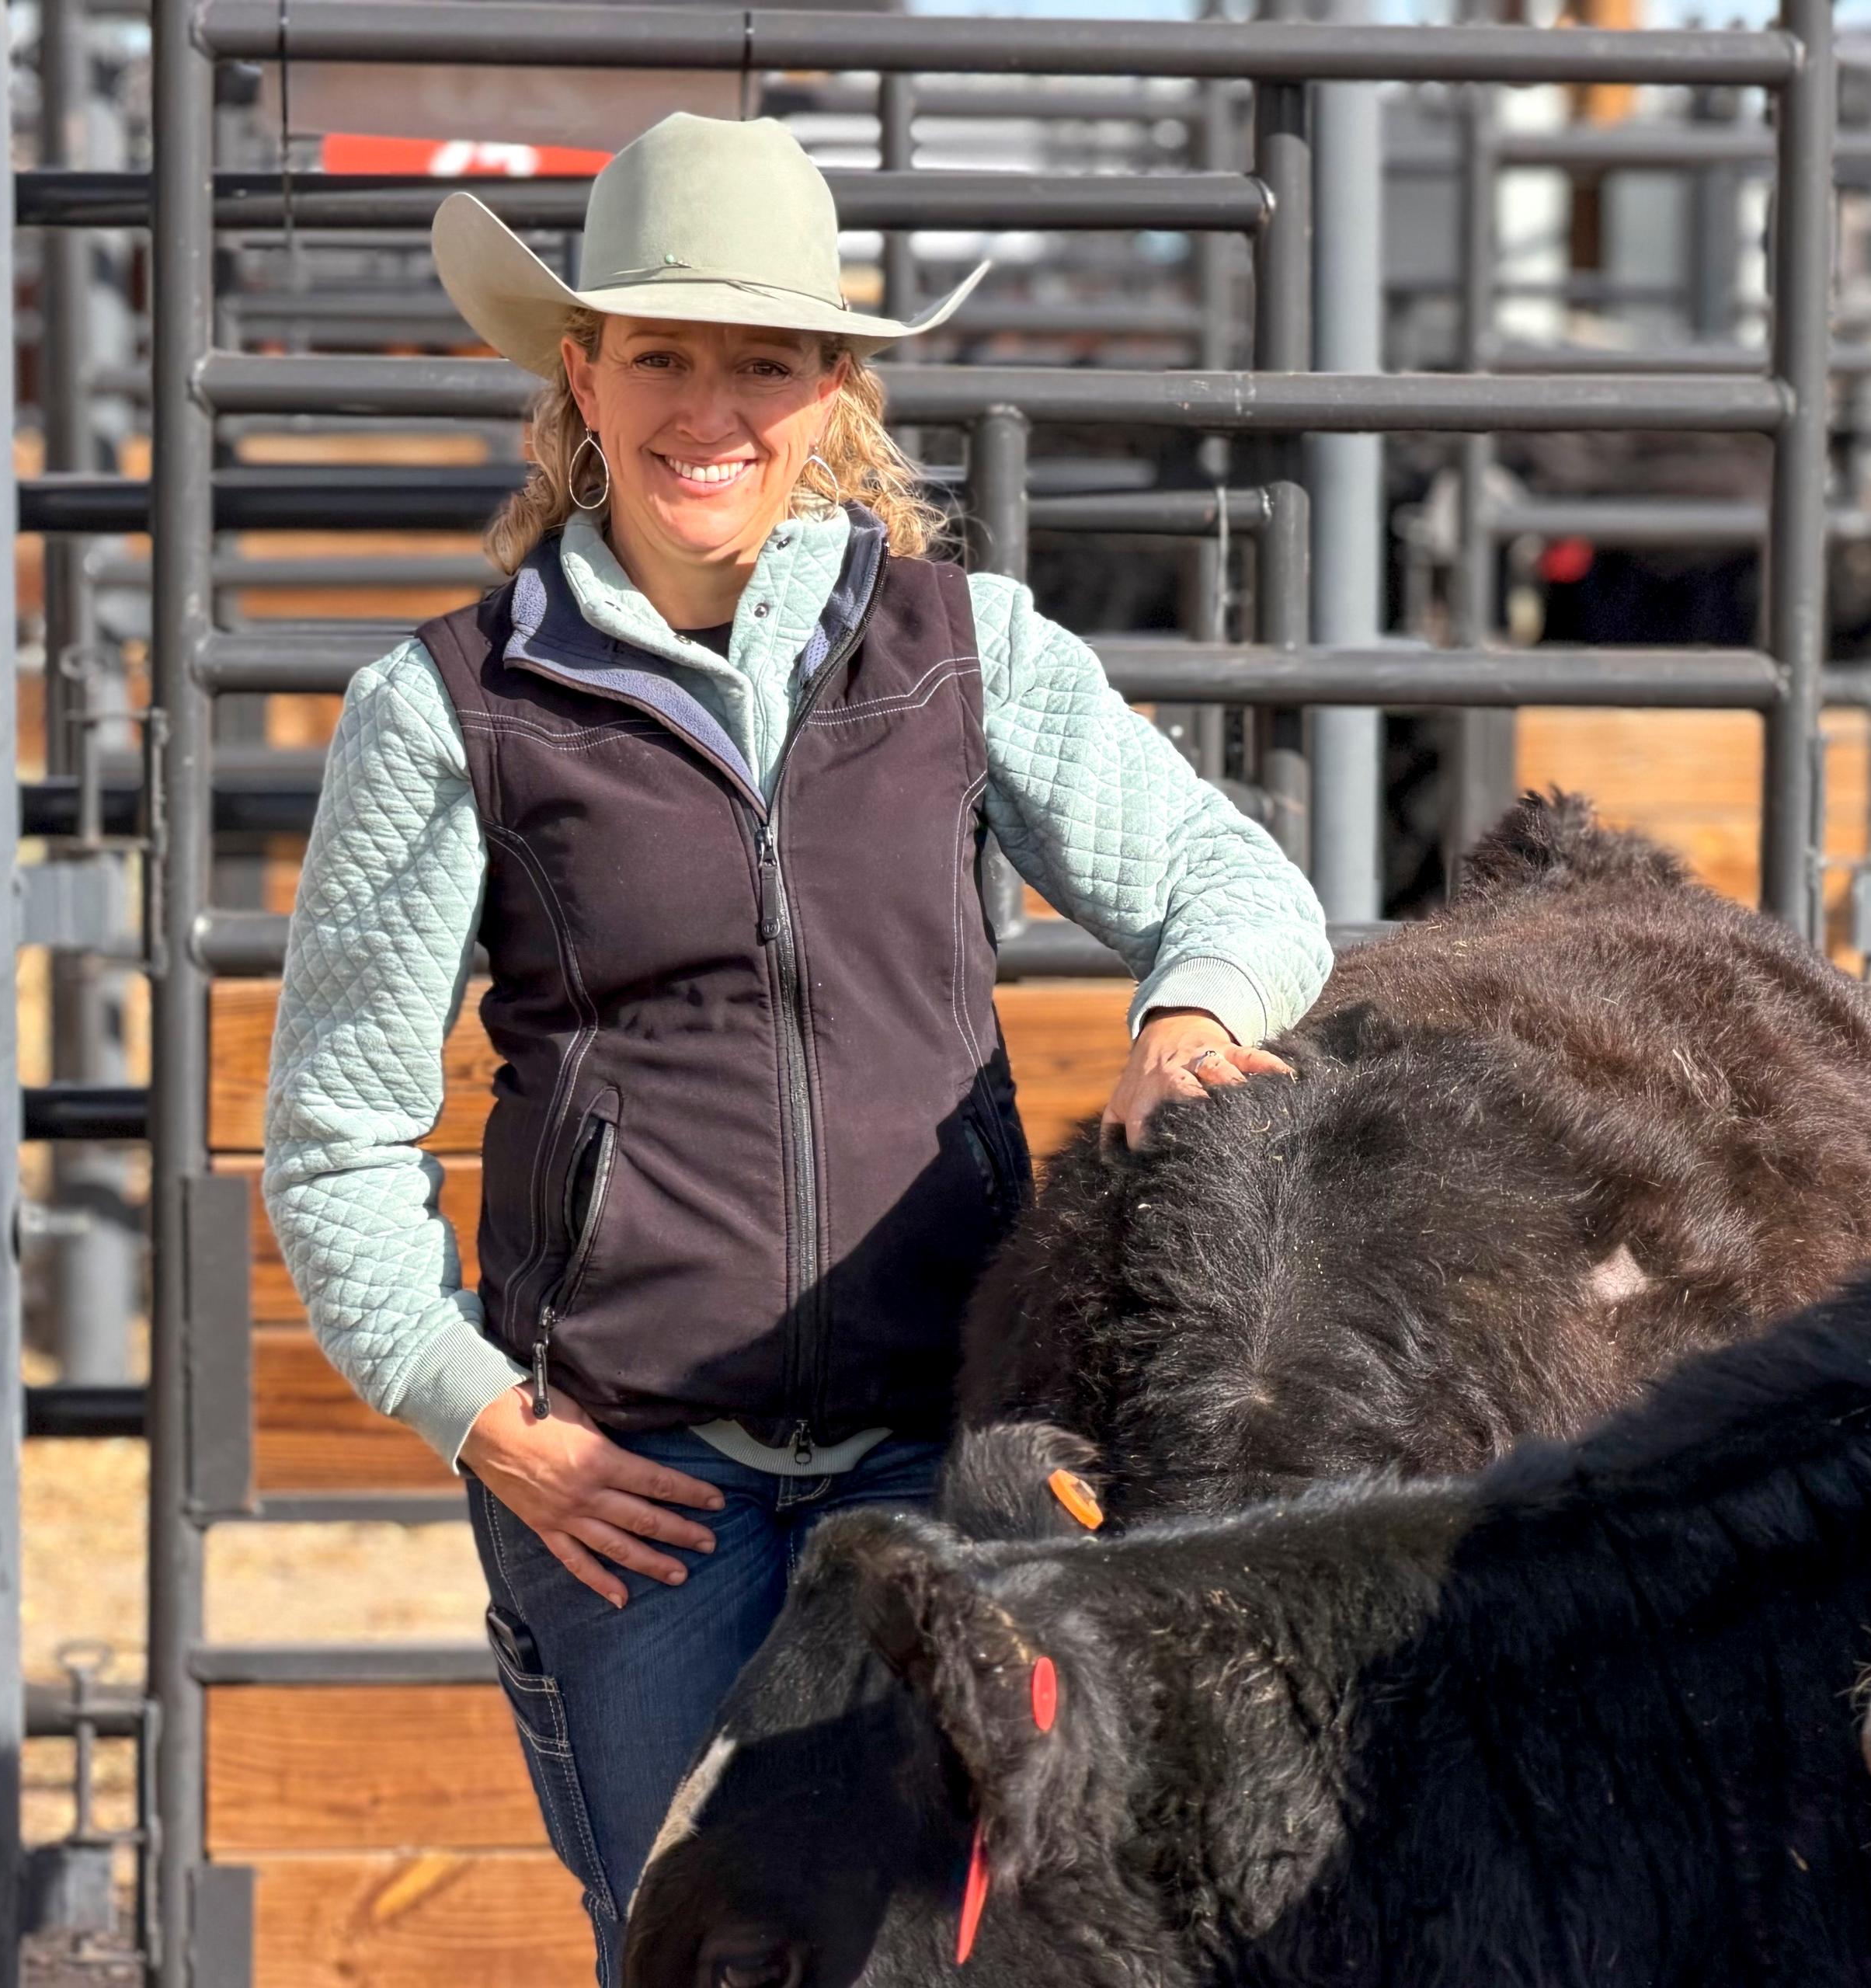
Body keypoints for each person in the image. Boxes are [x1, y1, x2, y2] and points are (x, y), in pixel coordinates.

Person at [261, 112, 1330, 1983]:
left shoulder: (960, 644)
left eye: (763, 358)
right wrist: (485, 1416)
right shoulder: (452, 709)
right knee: (706, 1960)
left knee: (994, 1956)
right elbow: (339, 1133)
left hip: (946, 1452)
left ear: (831, 384)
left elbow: (1237, 886)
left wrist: (1189, 1011)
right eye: (664, 354)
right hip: (628, 1485)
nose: (712, 409)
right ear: (580, 374)